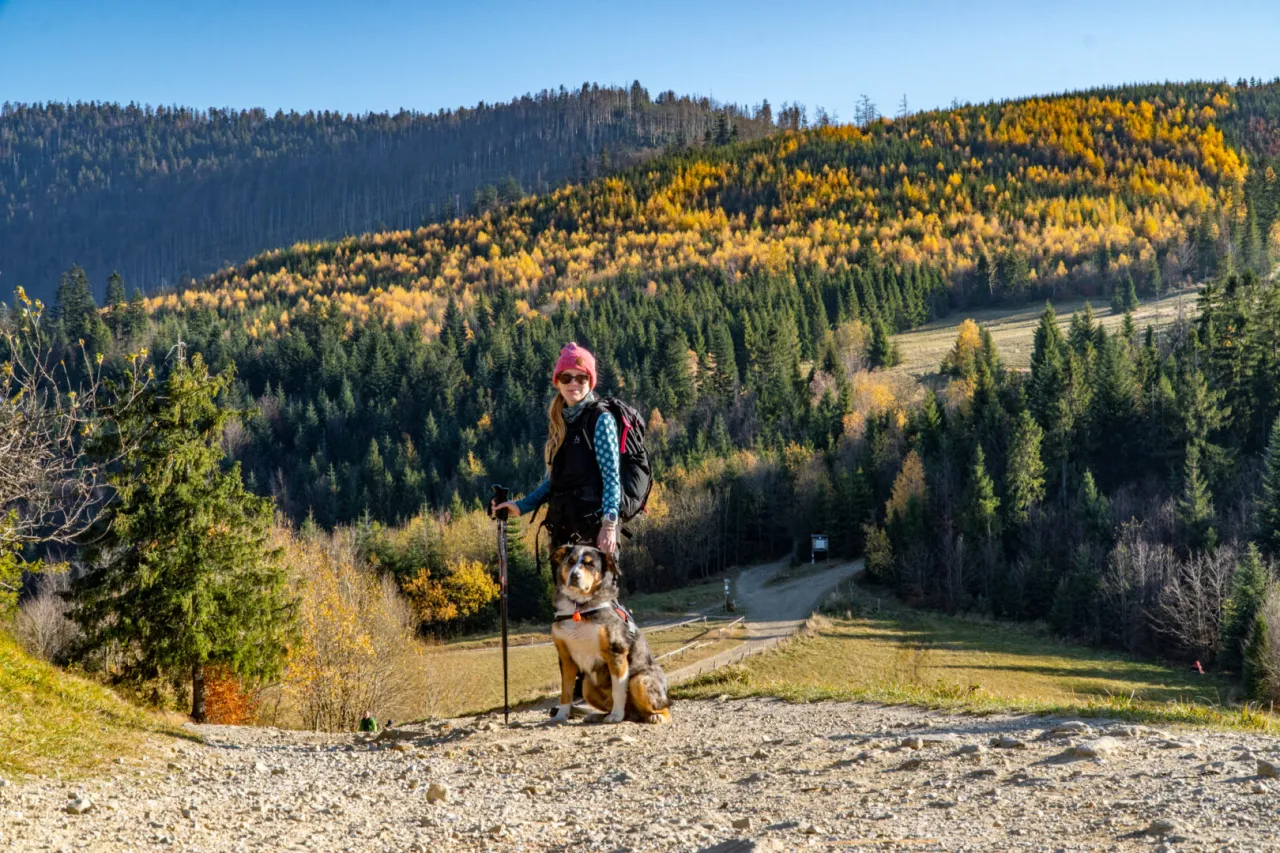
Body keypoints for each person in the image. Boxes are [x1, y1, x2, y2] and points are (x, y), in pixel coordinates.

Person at [491, 342, 621, 556]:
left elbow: (611, 477)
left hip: (593, 533)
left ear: (591, 382)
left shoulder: (600, 420)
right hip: (562, 531)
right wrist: (521, 506)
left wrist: (609, 526)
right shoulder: (560, 422)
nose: (573, 384)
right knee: (565, 591)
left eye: (581, 377)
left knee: (592, 590)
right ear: (557, 383)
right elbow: (554, 482)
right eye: (566, 377)